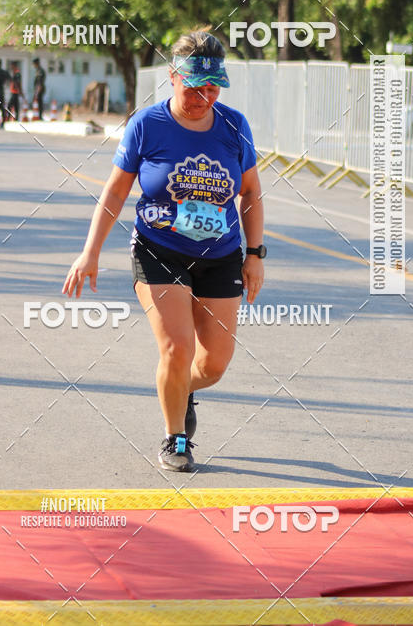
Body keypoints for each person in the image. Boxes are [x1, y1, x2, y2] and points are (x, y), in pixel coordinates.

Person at [63, 30, 265, 472]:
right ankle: (176, 439)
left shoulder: (234, 125)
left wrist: (255, 253)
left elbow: (250, 191)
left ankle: (181, 388)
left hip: (221, 254)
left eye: (211, 88)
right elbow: (115, 192)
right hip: (160, 251)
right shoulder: (147, 125)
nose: (202, 97)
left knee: (213, 365)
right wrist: (90, 251)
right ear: (173, 78)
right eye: (193, 86)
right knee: (177, 347)